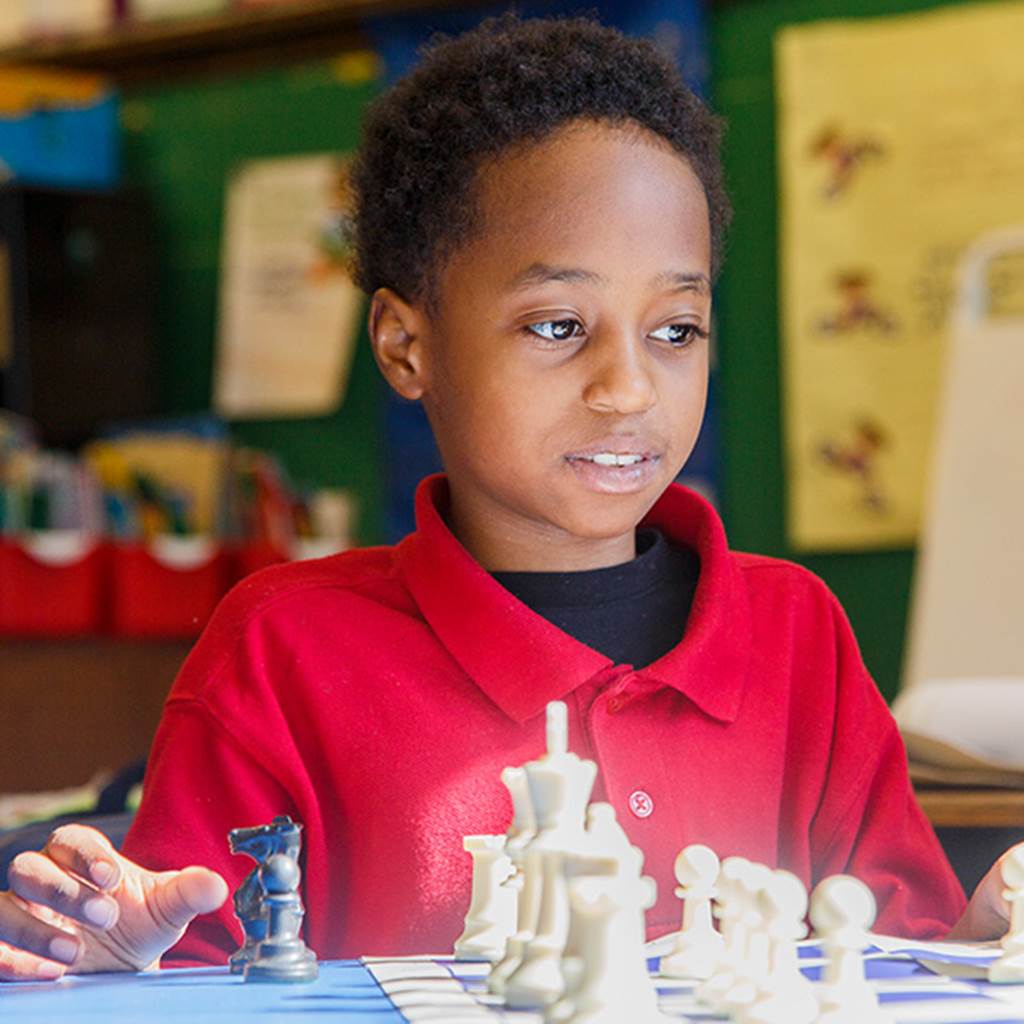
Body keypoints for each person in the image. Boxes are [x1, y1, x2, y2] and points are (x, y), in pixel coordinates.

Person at [0, 15, 1012, 982]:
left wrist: (985, 929)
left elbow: (894, 953)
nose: (626, 388)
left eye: (675, 330)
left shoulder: (797, 634)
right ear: (407, 345)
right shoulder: (284, 650)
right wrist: (111, 954)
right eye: (556, 325)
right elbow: (183, 950)